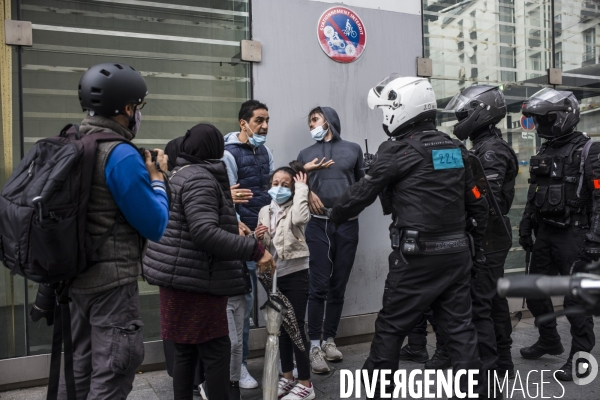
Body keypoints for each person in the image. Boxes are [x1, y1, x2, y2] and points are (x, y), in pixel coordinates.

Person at [330, 74, 490, 397]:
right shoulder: (455, 148)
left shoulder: (396, 151)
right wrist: (472, 244)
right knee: (461, 333)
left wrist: (334, 213)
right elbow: (478, 204)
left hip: (416, 257)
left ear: (399, 110)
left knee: (390, 328)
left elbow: (360, 194)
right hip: (457, 254)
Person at [57, 62, 170, 399]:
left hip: (76, 277)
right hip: (111, 285)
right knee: (116, 366)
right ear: (126, 109)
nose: (139, 114)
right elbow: (155, 224)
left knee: (79, 365)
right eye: (139, 107)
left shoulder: (73, 143)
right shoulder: (120, 154)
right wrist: (158, 181)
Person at [143, 124, 276, 400]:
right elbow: (205, 233)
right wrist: (255, 250)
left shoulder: (180, 175)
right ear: (215, 149)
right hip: (197, 283)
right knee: (216, 352)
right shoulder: (200, 179)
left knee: (185, 352)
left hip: (178, 278)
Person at [519, 88, 595, 381]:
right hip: (547, 234)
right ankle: (549, 339)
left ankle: (581, 360)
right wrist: (526, 224)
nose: (540, 126)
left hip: (576, 236)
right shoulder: (544, 151)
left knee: (576, 302)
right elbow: (533, 192)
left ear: (563, 117)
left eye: (544, 119)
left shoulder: (589, 150)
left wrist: (595, 240)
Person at [446, 84, 518, 377]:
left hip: (489, 237)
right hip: (491, 236)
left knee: (480, 306)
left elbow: (486, 200)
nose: (459, 118)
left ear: (481, 112)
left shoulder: (492, 152)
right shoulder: (483, 147)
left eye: (464, 113)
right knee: (494, 302)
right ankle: (503, 363)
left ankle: (487, 371)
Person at [297, 106, 364, 373]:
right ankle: (314, 345)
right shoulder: (305, 154)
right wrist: (308, 192)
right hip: (317, 225)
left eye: (315, 119)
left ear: (329, 120)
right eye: (309, 121)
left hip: (347, 225)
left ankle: (329, 340)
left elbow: (363, 185)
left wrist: (354, 205)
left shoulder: (353, 149)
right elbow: (294, 182)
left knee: (339, 285)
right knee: (318, 285)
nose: (311, 124)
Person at [223, 100, 274, 389]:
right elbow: (227, 200)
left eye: (267, 120)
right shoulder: (228, 155)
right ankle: (239, 366)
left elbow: (270, 191)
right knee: (243, 306)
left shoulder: (265, 150)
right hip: (243, 242)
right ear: (243, 123)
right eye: (259, 120)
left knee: (277, 300)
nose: (265, 125)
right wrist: (240, 230)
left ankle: (281, 359)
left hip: (266, 237)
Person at [255, 161, 314, 400]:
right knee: (281, 328)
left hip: (296, 274)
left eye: (285, 184)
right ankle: (288, 377)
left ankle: (306, 384)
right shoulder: (264, 210)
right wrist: (258, 237)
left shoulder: (297, 205)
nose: (278, 188)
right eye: (275, 183)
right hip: (273, 278)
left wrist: (302, 188)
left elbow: (300, 219)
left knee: (297, 327)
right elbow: (266, 246)